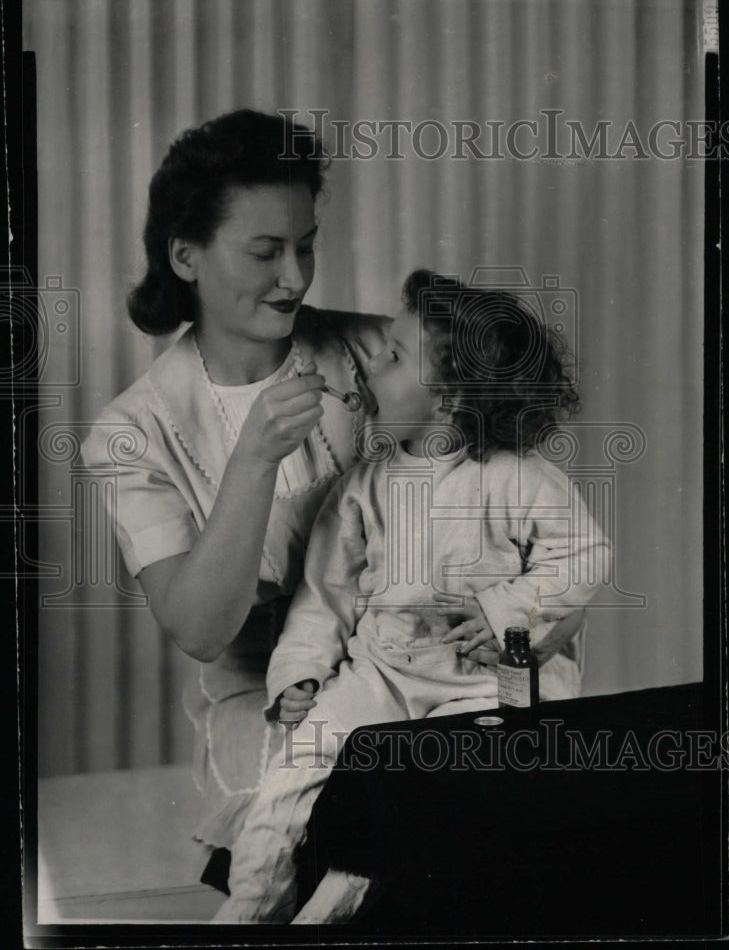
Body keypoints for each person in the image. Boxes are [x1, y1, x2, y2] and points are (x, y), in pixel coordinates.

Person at [214, 270, 612, 924]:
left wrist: (504, 609)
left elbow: (586, 557)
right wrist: (301, 674)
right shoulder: (363, 487)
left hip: (483, 686)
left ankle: (341, 897)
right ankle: (252, 903)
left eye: (394, 356)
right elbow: (323, 598)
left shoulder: (519, 478)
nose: (372, 361)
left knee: (422, 797)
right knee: (296, 770)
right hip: (384, 673)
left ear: (451, 398)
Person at [80, 109, 392, 877]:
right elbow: (200, 628)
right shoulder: (132, 431)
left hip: (409, 664)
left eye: (307, 246)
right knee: (309, 845)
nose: (296, 277)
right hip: (266, 699)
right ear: (186, 256)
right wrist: (253, 459)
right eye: (265, 252)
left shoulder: (381, 350)